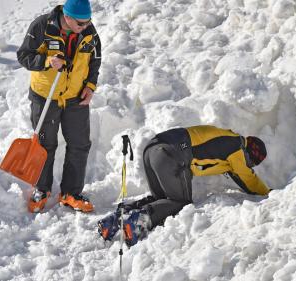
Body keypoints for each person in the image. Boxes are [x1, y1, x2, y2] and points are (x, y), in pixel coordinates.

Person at [98, 125, 270, 246]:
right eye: (251, 162)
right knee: (180, 202)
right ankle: (135, 223)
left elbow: (239, 176)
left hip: (153, 149)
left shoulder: (226, 141)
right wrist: (268, 193)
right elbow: (247, 178)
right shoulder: (237, 146)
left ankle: (115, 220)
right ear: (249, 151)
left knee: (162, 201)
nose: (249, 166)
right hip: (172, 153)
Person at [17, 0, 101, 213]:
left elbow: (95, 60)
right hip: (46, 97)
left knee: (80, 145)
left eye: (88, 22)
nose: (85, 26)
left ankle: (71, 193)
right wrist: (46, 61)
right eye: (81, 23)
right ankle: (41, 189)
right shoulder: (42, 26)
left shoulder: (89, 32)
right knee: (45, 145)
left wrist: (90, 86)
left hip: (76, 97)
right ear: (68, 17)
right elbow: (24, 55)